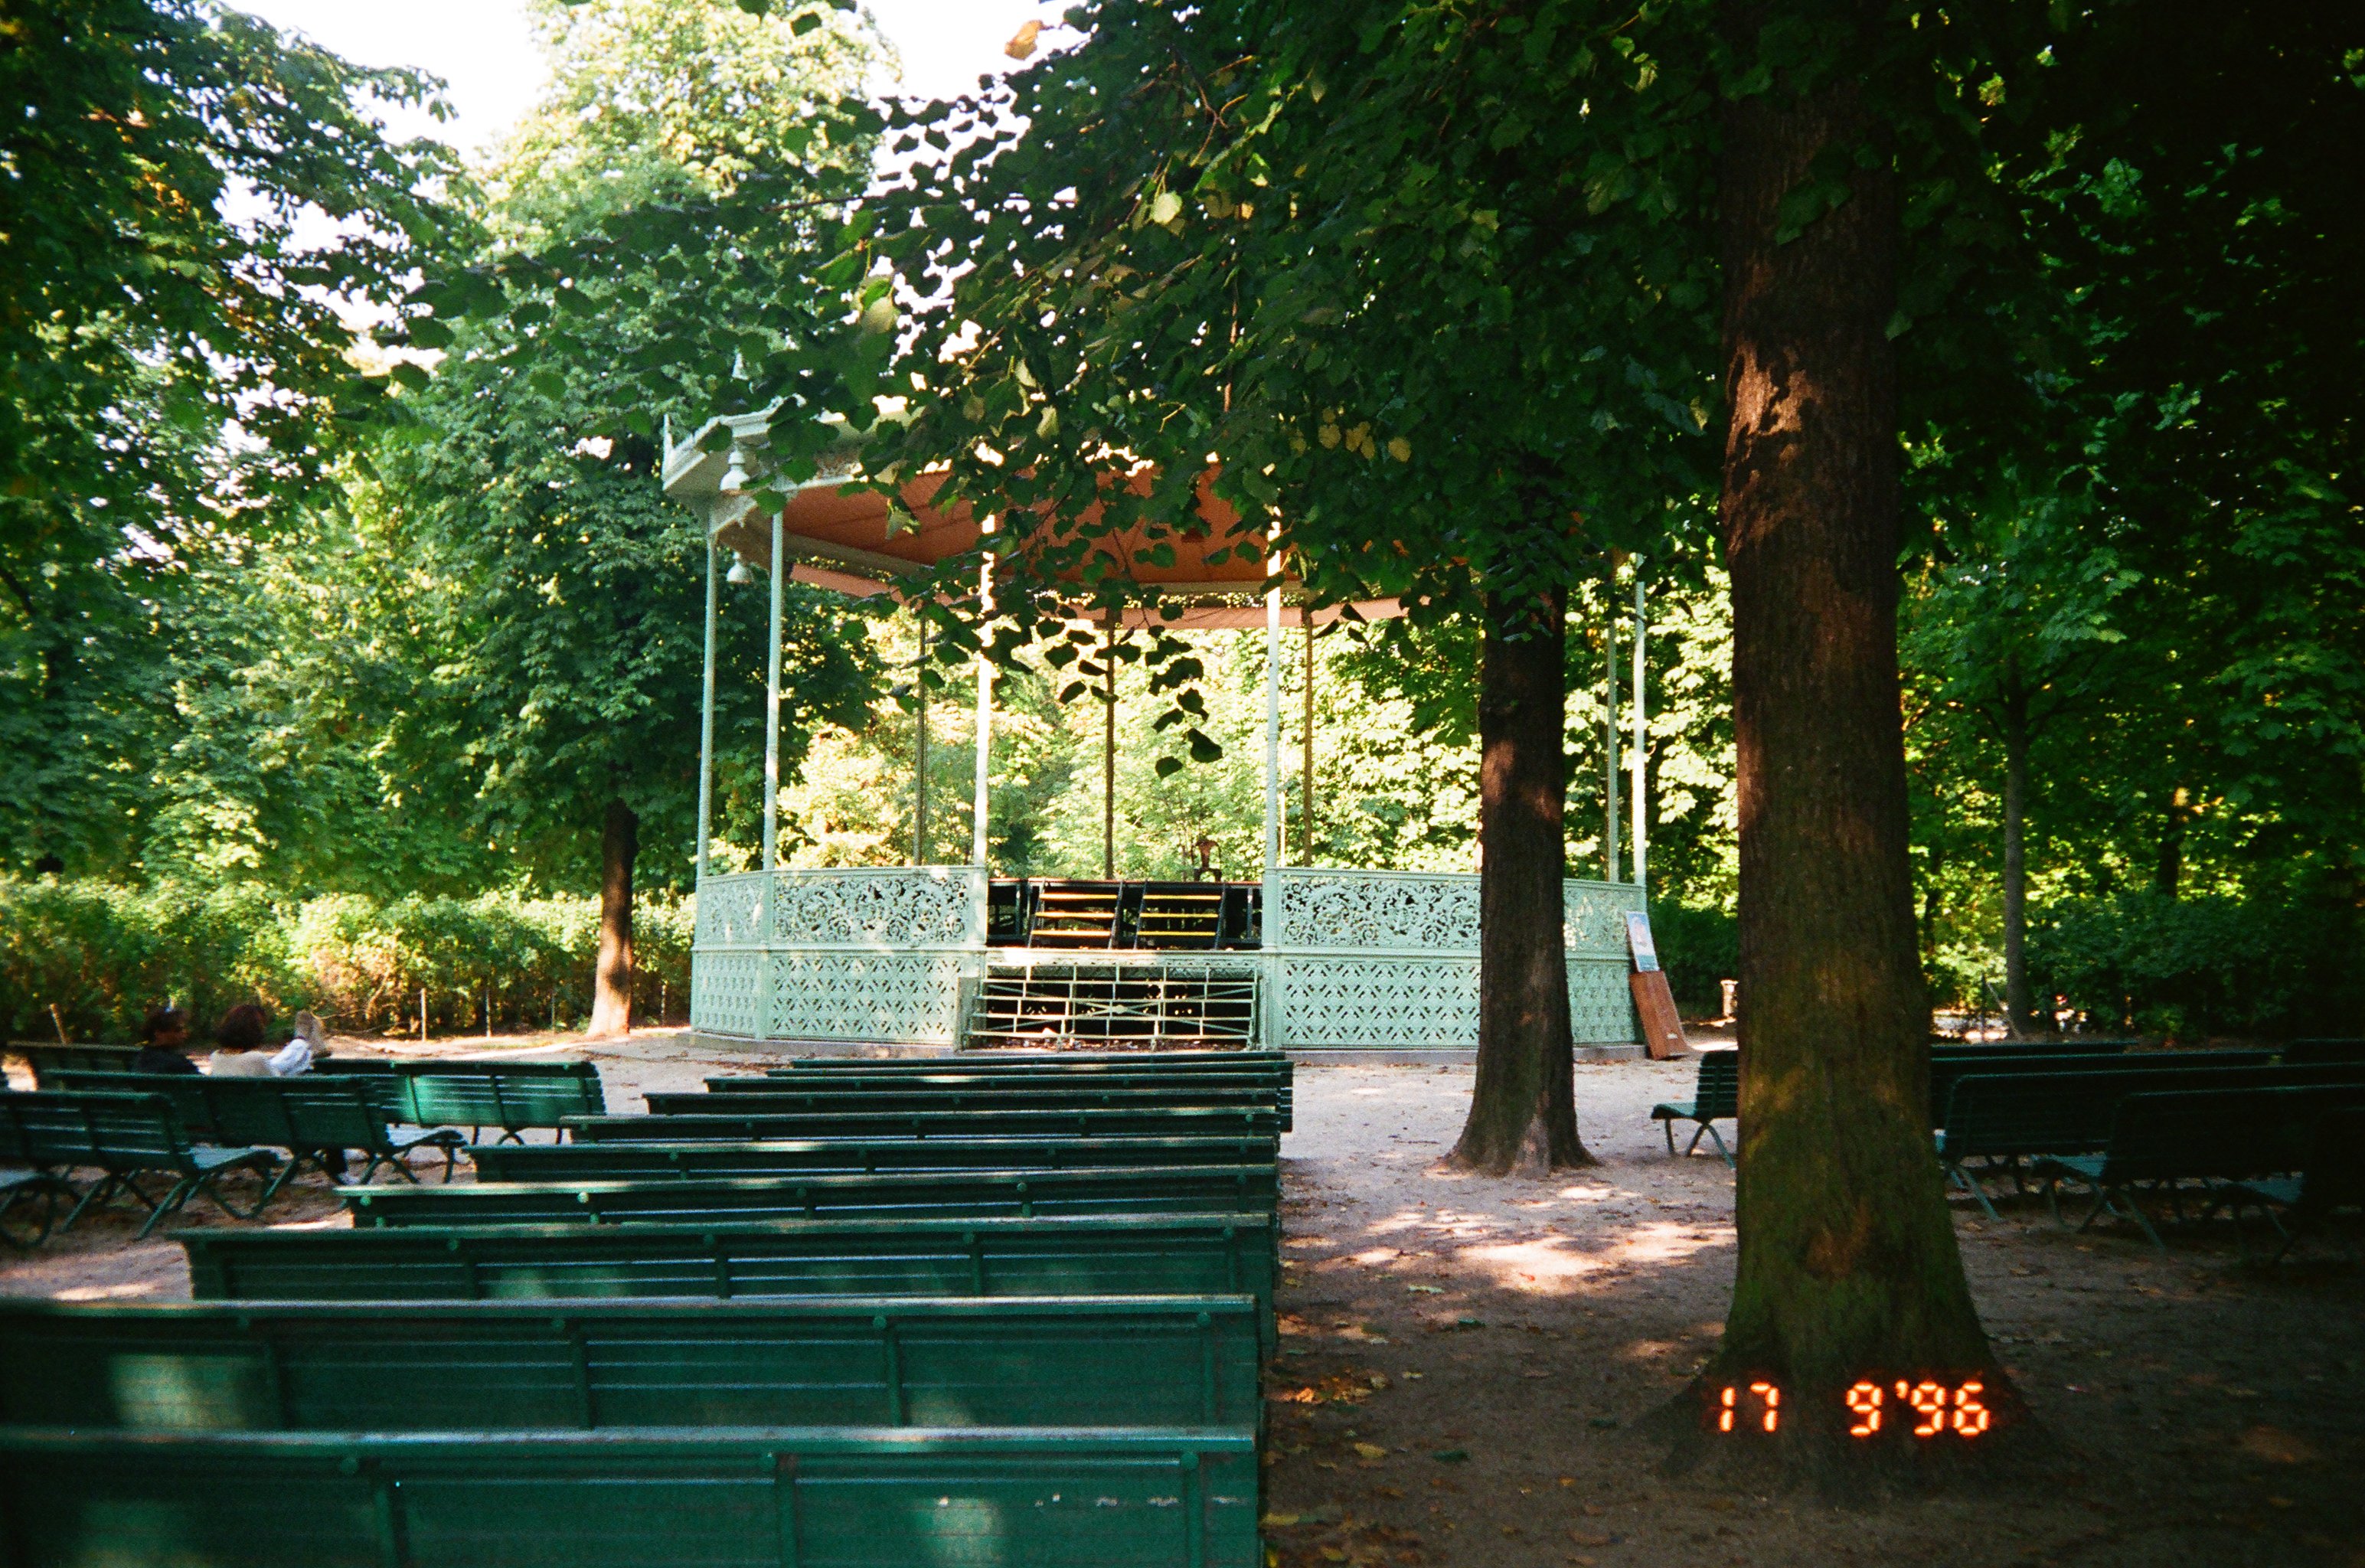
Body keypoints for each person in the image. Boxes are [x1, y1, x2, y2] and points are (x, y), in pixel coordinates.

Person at [204, 1003, 315, 1077]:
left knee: (280, 1064)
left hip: (227, 1106)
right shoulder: (256, 1058)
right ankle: (301, 1041)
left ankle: (300, 1042)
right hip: (261, 1105)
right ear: (255, 1031)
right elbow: (277, 1081)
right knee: (293, 1064)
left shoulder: (216, 1057)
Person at [131, 1008, 199, 1076]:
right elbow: (201, 1081)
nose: (185, 1033)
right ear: (158, 1034)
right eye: (178, 1030)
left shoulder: (141, 1059)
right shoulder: (178, 1064)